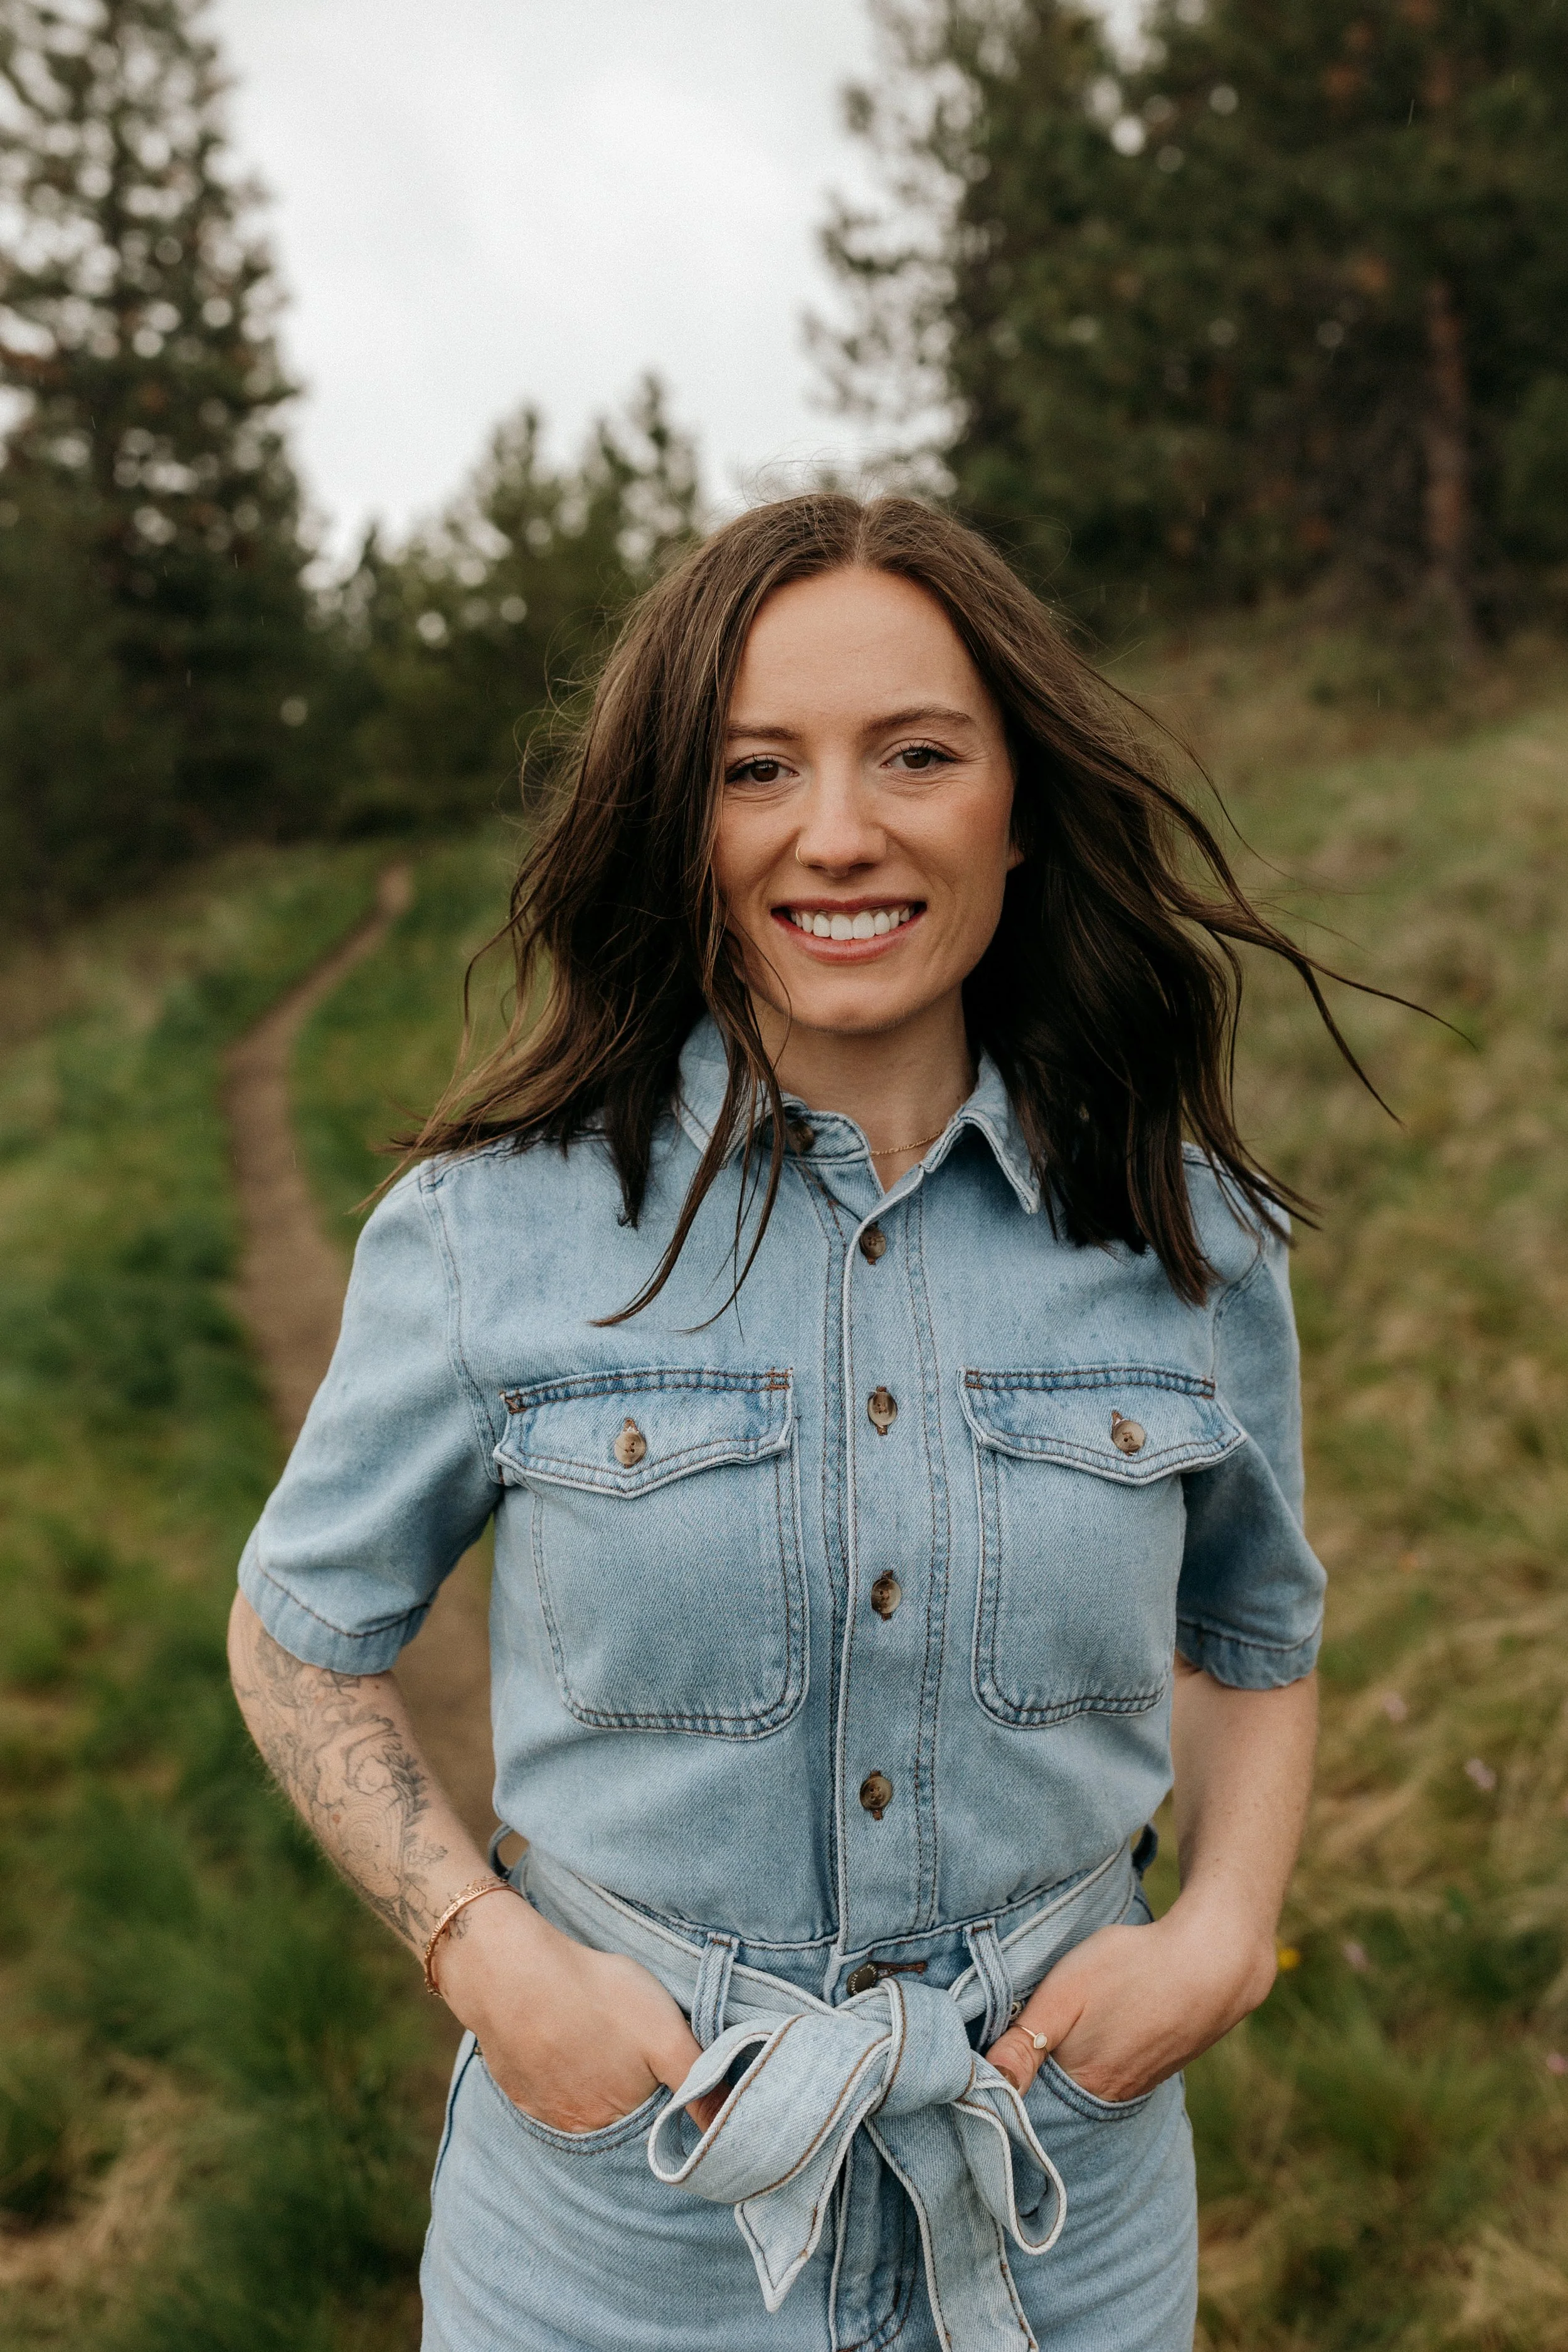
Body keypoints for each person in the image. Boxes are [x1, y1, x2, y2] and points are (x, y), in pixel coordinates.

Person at [228, 493, 1337, 2352]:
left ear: (1016, 804)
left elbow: (1253, 1633)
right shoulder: (495, 1226)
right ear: (685, 823)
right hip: (617, 2230)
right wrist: (485, 1956)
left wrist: (1223, 1930)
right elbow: (297, 1638)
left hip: (1065, 2211)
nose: (839, 831)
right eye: (757, 767)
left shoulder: (1186, 1229)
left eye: (916, 753)